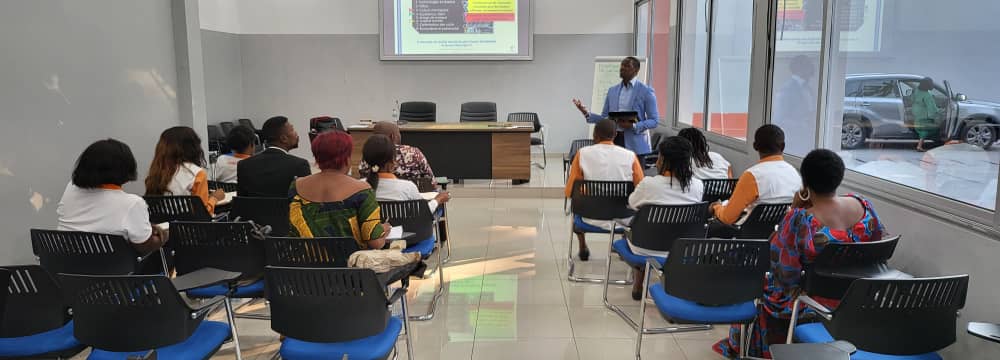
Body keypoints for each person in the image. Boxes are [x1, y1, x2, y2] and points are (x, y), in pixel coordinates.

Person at [713, 149, 886, 358]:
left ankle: (754, 349)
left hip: (809, 302)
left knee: (761, 285)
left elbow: (784, 274)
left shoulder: (800, 219)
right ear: (839, 177)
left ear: (805, 182)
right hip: (858, 297)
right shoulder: (863, 206)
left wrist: (794, 209)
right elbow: (880, 248)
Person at [626, 136, 703, 299]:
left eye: (659, 156)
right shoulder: (697, 185)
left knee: (635, 225)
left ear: (663, 160)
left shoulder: (649, 184)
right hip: (683, 250)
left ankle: (638, 284)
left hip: (645, 247)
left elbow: (632, 203)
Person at [59, 139, 165, 254]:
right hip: (110, 269)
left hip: (65, 264)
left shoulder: (71, 188)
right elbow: (145, 246)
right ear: (126, 168)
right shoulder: (132, 203)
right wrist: (163, 235)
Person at [289, 130, 390, 249]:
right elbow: (375, 243)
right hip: (350, 265)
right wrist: (383, 230)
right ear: (346, 158)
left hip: (306, 263)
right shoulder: (362, 190)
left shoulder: (296, 186)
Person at [565, 119, 645, 261]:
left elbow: (571, 191)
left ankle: (582, 246)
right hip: (624, 218)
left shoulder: (582, 153)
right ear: (615, 135)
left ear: (595, 135)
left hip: (589, 216)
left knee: (577, 205)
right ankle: (624, 244)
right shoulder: (630, 156)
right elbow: (641, 189)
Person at [710, 125, 800, 228]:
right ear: (783, 146)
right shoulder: (795, 174)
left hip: (748, 236)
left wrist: (715, 207)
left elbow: (727, 218)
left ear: (755, 146)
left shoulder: (752, 176)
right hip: (780, 234)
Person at [572, 57, 660, 155]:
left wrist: (634, 126)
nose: (622, 68)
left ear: (636, 70)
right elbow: (604, 118)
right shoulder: (612, 91)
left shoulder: (646, 91)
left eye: (627, 66)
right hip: (613, 141)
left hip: (635, 145)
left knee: (635, 171)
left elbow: (654, 121)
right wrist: (586, 113)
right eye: (622, 65)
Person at [145, 126, 224, 215]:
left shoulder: (157, 171)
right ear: (193, 147)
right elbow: (202, 214)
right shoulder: (197, 173)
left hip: (162, 226)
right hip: (189, 227)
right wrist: (214, 199)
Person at [363, 134, 450, 211]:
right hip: (405, 229)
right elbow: (423, 213)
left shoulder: (359, 187)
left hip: (373, 229)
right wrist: (437, 200)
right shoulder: (407, 188)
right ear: (391, 163)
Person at [237, 116, 311, 197]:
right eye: (292, 130)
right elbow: (308, 204)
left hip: (254, 209)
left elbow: (241, 201)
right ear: (284, 139)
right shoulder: (300, 165)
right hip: (287, 209)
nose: (296, 133)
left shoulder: (244, 165)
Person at [771, 55, 817, 156]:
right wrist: (802, 124)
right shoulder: (787, 90)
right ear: (800, 68)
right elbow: (779, 119)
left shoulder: (808, 88)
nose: (813, 69)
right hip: (793, 140)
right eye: (809, 66)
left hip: (806, 138)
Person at [358, 121, 435, 180]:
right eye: (399, 133)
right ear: (392, 136)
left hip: (375, 199)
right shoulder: (414, 153)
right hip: (411, 198)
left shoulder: (368, 155)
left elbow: (363, 179)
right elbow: (431, 181)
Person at [912, 77, 941, 152]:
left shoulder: (916, 91)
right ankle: (920, 146)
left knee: (922, 130)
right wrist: (940, 111)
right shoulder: (927, 95)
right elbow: (932, 109)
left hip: (916, 117)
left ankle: (920, 144)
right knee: (935, 128)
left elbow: (912, 99)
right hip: (924, 118)